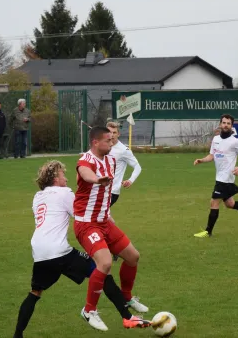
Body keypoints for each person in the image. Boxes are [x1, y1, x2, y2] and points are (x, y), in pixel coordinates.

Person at [13, 160, 150, 338]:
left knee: (35, 292)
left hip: (39, 252)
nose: (66, 178)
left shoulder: (38, 197)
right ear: (55, 177)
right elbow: (85, 214)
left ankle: (17, 335)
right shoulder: (64, 193)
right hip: (59, 251)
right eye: (63, 174)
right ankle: (127, 317)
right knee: (103, 271)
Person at [73, 126, 149, 331]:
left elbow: (105, 196)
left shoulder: (111, 160)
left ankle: (127, 297)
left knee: (133, 256)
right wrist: (97, 179)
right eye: (108, 140)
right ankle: (89, 310)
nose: (112, 142)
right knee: (105, 263)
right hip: (86, 224)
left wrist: (108, 216)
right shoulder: (85, 160)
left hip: (104, 221)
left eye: (112, 139)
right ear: (95, 142)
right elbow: (86, 173)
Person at [193, 114, 238, 238]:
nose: (226, 125)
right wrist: (201, 160)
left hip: (226, 179)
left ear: (231, 126)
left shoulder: (234, 142)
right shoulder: (216, 139)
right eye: (224, 123)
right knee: (230, 204)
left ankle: (208, 232)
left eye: (228, 123)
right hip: (220, 177)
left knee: (214, 203)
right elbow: (212, 156)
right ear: (220, 124)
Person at [106, 122, 142, 207]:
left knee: (97, 216)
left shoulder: (123, 150)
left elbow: (137, 167)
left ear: (118, 134)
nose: (112, 135)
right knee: (99, 217)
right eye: (109, 132)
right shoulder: (102, 146)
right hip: (98, 189)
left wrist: (130, 180)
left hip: (112, 191)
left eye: (114, 132)